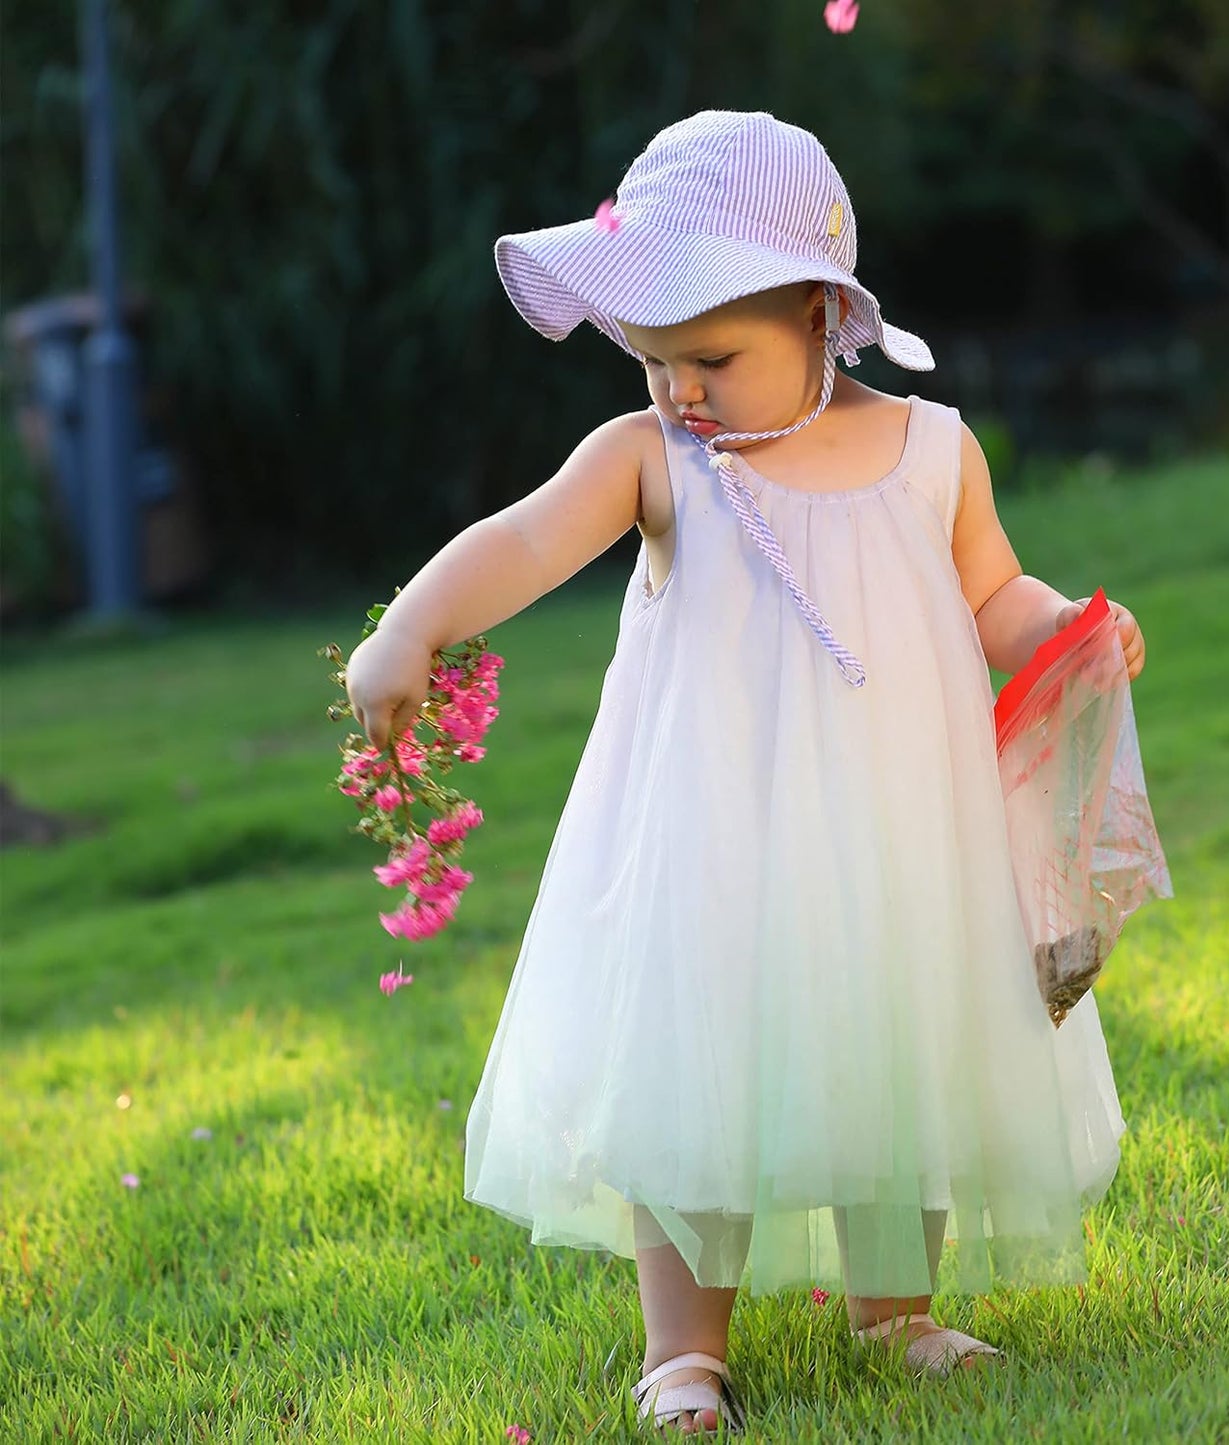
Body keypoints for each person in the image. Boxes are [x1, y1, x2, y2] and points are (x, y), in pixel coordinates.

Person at [345, 110, 1148, 1435]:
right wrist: (415, 624)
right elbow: (524, 538)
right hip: (711, 832)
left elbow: (991, 593)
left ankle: (898, 1307)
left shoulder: (930, 451)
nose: (677, 389)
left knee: (899, 1045)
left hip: (895, 830)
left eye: (710, 356)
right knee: (696, 1067)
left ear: (821, 314)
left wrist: (1070, 630)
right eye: (653, 359)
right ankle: (682, 1349)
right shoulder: (651, 461)